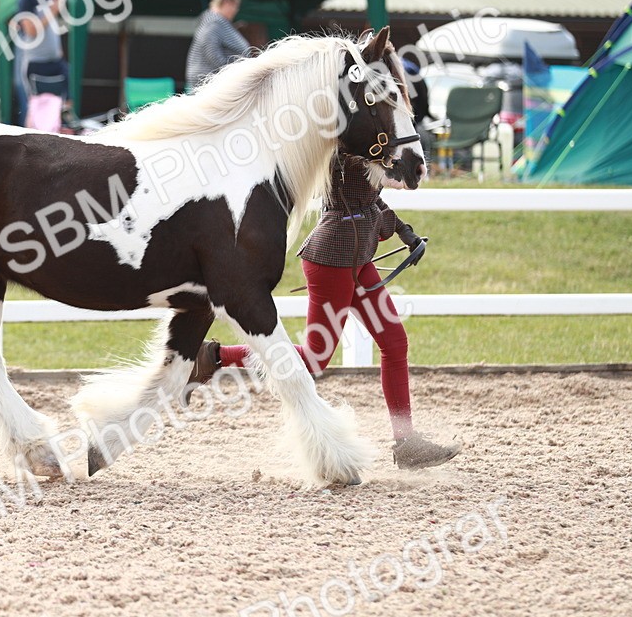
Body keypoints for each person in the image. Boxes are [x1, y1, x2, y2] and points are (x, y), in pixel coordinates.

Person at [187, 152, 461, 471]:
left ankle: (407, 443)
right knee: (315, 358)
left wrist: (404, 231)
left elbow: (371, 203)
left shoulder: (368, 144)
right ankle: (215, 356)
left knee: (395, 342)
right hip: (331, 261)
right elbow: (379, 187)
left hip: (358, 261)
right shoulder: (343, 149)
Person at [14, 0, 69, 127]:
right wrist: (52, 11)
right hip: (36, 63)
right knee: (35, 107)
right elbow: (31, 31)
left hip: (55, 62)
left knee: (57, 106)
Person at [185, 0, 251, 91]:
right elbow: (212, 53)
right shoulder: (213, 23)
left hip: (218, 82)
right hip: (209, 84)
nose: (236, 11)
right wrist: (233, 71)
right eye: (235, 6)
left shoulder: (217, 22)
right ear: (227, 2)